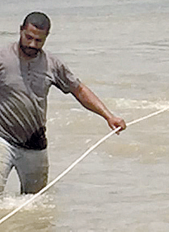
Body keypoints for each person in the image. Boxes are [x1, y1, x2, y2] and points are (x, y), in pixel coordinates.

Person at [0, 12, 126, 195]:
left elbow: (79, 90)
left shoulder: (52, 64)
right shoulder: (2, 58)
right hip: (3, 137)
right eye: (29, 37)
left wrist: (109, 116)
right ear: (21, 30)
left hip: (35, 144)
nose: (32, 44)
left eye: (39, 41)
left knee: (34, 204)